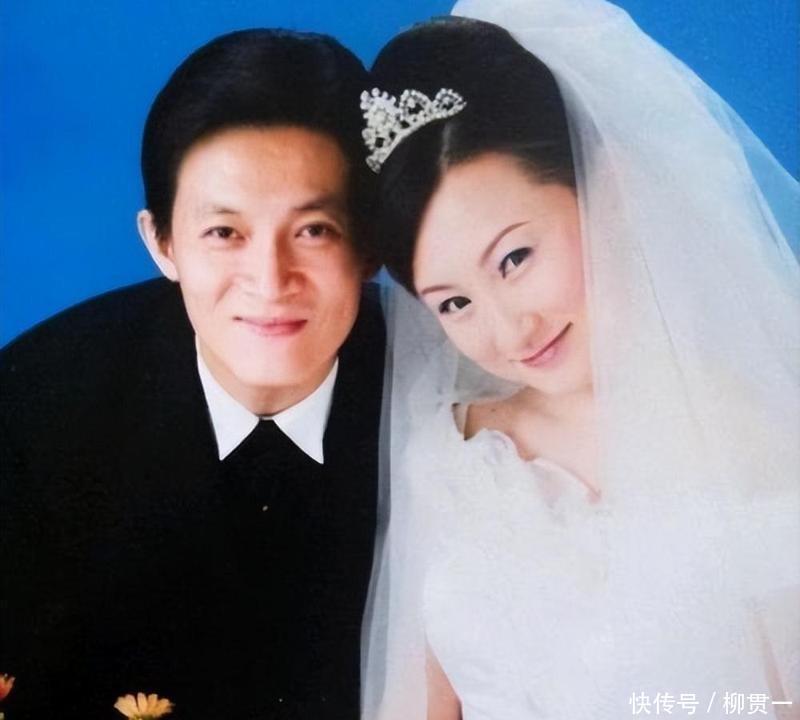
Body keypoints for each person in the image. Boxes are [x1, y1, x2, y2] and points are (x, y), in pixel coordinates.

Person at [359, 2, 800, 718]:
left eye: (515, 258)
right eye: (455, 303)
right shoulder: (452, 454)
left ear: (609, 183)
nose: (510, 329)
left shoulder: (771, 443)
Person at [0, 29, 384, 719]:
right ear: (162, 244)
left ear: (370, 245)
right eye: (224, 233)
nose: (270, 281)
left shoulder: (451, 406)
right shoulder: (33, 408)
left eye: (314, 230)